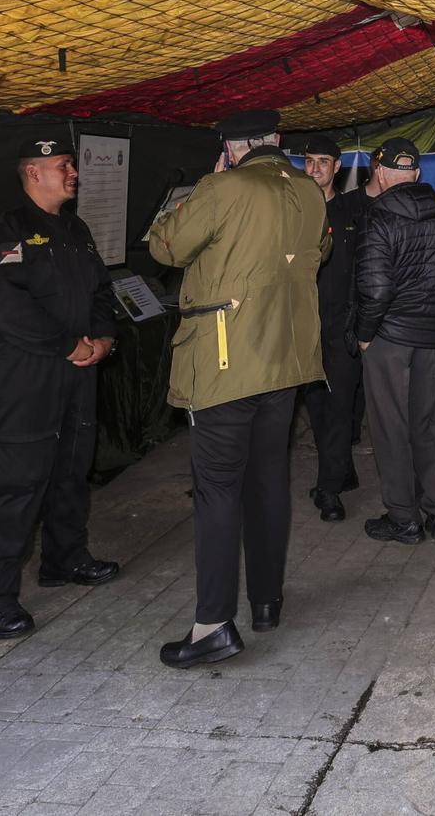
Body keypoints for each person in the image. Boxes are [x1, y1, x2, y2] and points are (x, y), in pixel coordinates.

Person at [148, 110, 326, 667]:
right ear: (276, 142)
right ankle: (266, 601)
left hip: (227, 365)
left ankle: (213, 626)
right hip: (286, 362)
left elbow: (165, 247)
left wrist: (205, 184)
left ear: (231, 147)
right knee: (268, 481)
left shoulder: (222, 187)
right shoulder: (310, 191)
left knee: (217, 491)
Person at [0, 135, 121, 641]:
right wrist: (66, 345)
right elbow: (8, 307)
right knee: (14, 483)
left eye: (71, 164)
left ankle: (65, 560)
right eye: (63, 165)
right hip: (27, 373)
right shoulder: (5, 230)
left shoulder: (75, 228)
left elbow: (100, 289)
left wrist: (102, 336)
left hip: (78, 368)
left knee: (72, 468)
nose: (73, 173)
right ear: (33, 172)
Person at [353, 137, 435, 544]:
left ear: (379, 173)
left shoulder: (378, 214)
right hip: (434, 336)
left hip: (390, 335)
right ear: (416, 174)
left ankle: (404, 518)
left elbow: (376, 287)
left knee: (390, 427)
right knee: (430, 425)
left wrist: (365, 334)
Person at [301, 133, 368, 522]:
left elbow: (365, 272)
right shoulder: (291, 212)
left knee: (341, 407)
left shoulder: (352, 213)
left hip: (342, 327)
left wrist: (362, 325)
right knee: (318, 408)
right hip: (304, 328)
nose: (314, 169)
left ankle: (329, 491)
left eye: (322, 162)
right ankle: (341, 469)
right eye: (308, 161)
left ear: (336, 167)